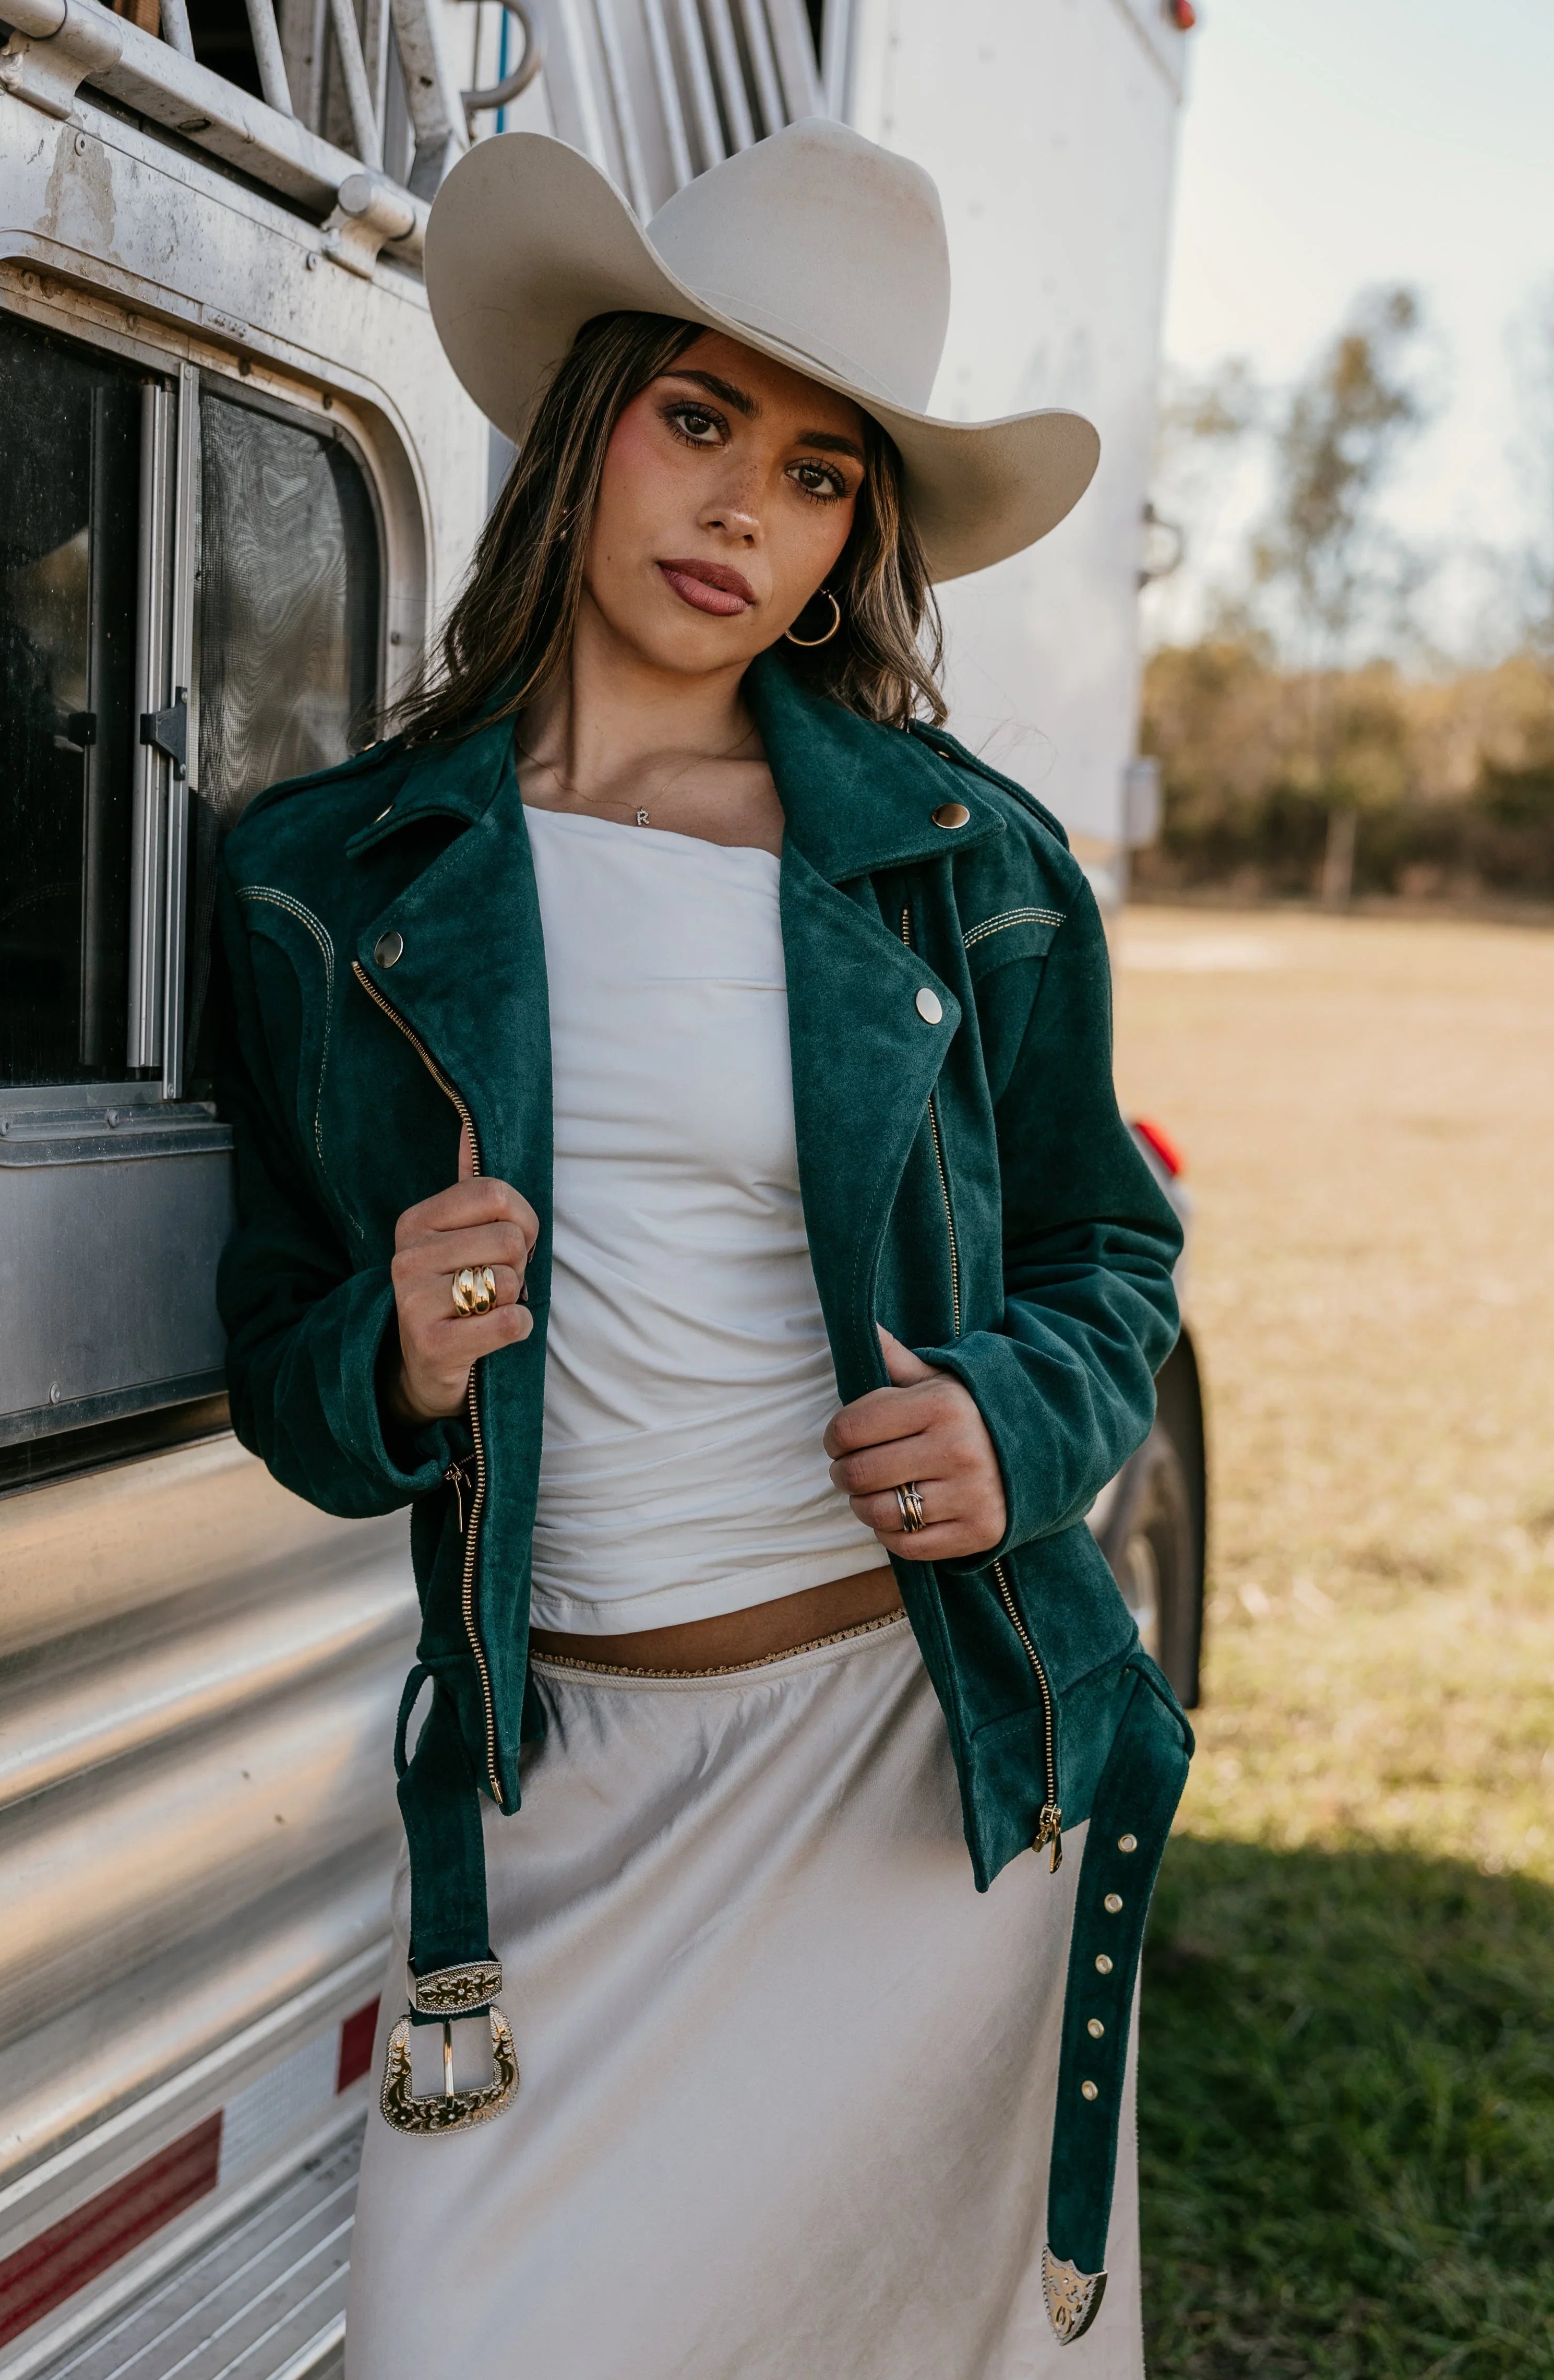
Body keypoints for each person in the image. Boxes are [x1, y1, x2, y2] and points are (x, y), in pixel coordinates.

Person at [214, 120, 1192, 2378]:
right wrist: (399, 1356)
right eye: (700, 419)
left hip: (912, 1769)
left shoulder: (971, 862)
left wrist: (1017, 1423)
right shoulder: (328, 878)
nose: (748, 510)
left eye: (825, 471)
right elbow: (279, 1359)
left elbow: (1109, 1253)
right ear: (590, 425)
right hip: (554, 1793)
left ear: (864, 538)